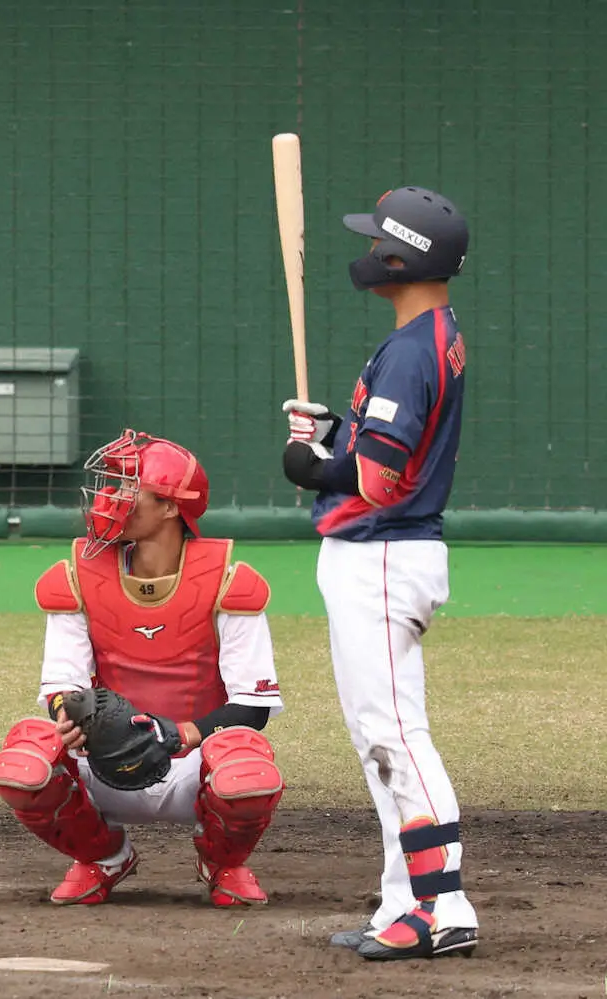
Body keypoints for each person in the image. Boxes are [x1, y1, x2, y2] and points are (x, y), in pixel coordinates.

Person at [280, 186, 477, 960]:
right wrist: (334, 438)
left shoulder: (411, 350)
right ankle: (405, 899)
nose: (366, 252)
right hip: (385, 554)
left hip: (383, 555)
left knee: (395, 737)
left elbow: (382, 480)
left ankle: (442, 905)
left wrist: (317, 466)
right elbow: (389, 450)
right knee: (379, 741)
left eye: (376, 242)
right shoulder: (428, 336)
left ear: (401, 259)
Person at [0, 430, 285, 907]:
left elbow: (253, 706)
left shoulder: (229, 580)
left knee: (246, 766)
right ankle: (102, 857)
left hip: (194, 765)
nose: (109, 498)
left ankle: (221, 861)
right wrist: (74, 717)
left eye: (128, 487)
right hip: (103, 759)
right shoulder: (77, 574)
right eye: (113, 485)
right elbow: (62, 682)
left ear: (170, 507)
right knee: (25, 756)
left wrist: (179, 734)